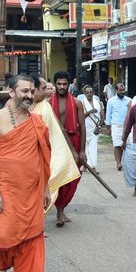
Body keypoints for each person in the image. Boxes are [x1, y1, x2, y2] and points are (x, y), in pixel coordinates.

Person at [0, 75, 51, 272]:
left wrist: (46, 189)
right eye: (24, 91)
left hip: (31, 190)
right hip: (5, 189)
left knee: (31, 235)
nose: (29, 96)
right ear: (11, 92)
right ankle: (2, 266)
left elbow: (43, 159)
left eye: (31, 91)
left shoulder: (37, 122)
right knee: (4, 234)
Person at [31, 76, 80, 209]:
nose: (47, 91)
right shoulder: (21, 106)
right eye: (44, 88)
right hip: (29, 154)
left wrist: (75, 151)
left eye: (65, 84)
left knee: (58, 177)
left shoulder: (46, 105)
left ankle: (57, 209)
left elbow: (61, 129)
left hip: (53, 148)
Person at [51, 71, 87, 227]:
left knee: (73, 178)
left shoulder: (77, 103)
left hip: (74, 140)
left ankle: (62, 208)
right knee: (58, 178)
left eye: (64, 84)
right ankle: (59, 212)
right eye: (59, 84)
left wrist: (82, 151)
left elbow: (82, 127)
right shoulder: (47, 103)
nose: (62, 87)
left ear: (69, 85)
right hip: (55, 143)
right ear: (54, 85)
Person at [105, 82, 131, 170]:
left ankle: (124, 162)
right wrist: (108, 127)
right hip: (116, 125)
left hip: (127, 127)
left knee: (125, 146)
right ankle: (118, 163)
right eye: (120, 90)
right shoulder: (111, 101)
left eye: (123, 90)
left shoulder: (129, 100)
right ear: (116, 90)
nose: (122, 92)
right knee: (117, 145)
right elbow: (108, 114)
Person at [79, 85, 103, 170]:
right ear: (84, 93)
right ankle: (86, 165)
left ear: (93, 93)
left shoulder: (98, 103)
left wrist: (99, 126)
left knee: (93, 147)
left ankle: (93, 166)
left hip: (95, 128)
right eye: (87, 92)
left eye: (90, 92)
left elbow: (102, 116)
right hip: (85, 128)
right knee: (85, 147)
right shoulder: (81, 103)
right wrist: (90, 111)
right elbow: (80, 117)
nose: (89, 94)